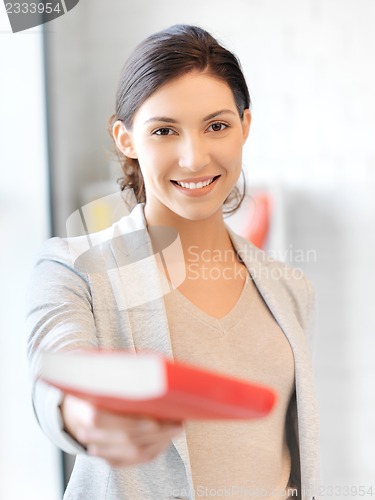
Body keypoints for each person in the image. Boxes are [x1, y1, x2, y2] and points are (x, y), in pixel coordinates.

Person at [26, 25, 320, 500]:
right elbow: (56, 373)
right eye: (164, 130)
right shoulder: (73, 269)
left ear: (245, 126)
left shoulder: (290, 288)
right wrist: (84, 415)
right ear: (125, 139)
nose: (193, 157)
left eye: (217, 126)